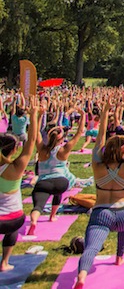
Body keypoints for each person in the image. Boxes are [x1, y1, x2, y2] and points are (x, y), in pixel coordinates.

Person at [74, 94, 124, 288]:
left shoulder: (97, 164)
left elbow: (100, 135)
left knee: (91, 248)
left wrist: (104, 113)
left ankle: (82, 277)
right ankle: (120, 257)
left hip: (102, 212)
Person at [29, 109, 84, 231]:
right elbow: (79, 132)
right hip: (61, 182)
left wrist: (39, 115)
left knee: (38, 206)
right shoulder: (63, 150)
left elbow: (36, 132)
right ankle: (52, 216)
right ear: (61, 139)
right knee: (58, 193)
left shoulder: (42, 150)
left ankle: (34, 220)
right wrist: (83, 115)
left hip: (43, 183)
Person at [0, 96, 38, 272]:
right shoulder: (16, 167)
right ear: (14, 149)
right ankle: (4, 263)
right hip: (14, 219)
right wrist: (35, 115)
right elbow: (31, 142)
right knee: (12, 228)